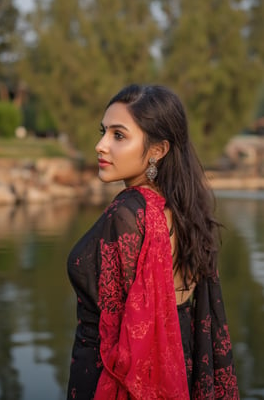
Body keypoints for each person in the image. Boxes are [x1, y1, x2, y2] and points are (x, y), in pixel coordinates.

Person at [67, 84, 239, 400]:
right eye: (103, 131)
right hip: (181, 367)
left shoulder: (129, 214)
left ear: (158, 150)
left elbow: (134, 335)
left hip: (108, 381)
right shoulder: (183, 207)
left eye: (118, 135)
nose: (100, 145)